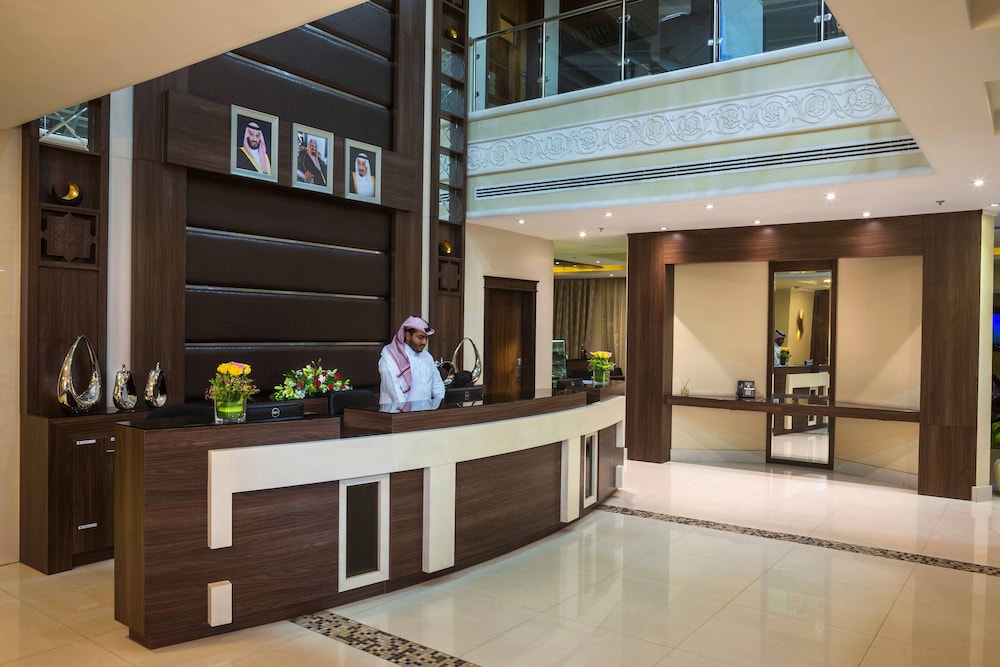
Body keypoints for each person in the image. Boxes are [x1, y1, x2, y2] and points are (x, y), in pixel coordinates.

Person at [379, 316, 445, 405]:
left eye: (426, 338)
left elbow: (437, 386)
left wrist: (440, 406)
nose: (424, 342)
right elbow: (396, 396)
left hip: (426, 412)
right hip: (397, 412)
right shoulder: (390, 358)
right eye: (420, 337)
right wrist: (408, 413)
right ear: (408, 336)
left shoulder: (427, 357)